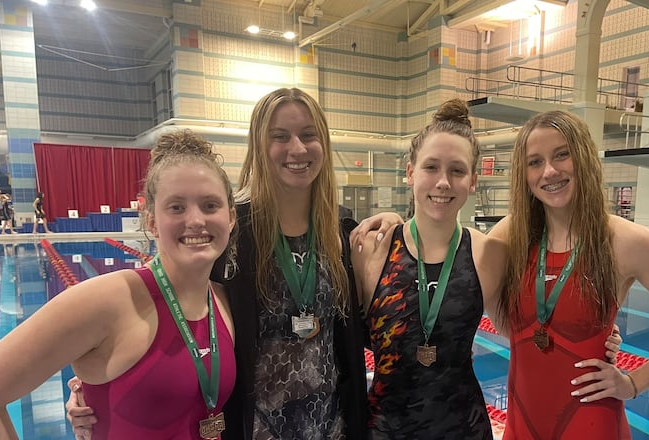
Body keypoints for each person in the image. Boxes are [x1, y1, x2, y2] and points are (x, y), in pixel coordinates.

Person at [66, 88, 402, 439]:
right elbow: (170, 310)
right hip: (254, 428)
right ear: (260, 145)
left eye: (308, 135)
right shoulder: (229, 230)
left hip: (333, 427)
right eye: (280, 137)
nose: (297, 149)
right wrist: (91, 390)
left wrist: (395, 222)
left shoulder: (339, 231)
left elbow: (367, 330)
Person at [351, 100, 622, 439]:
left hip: (464, 428)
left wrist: (597, 339)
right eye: (431, 167)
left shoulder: (489, 253)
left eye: (457, 171)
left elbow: (522, 328)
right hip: (384, 429)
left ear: (473, 180)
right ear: (410, 173)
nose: (443, 182)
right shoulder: (373, 250)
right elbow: (346, 339)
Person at [0, 130, 238, 439]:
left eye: (210, 205)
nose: (196, 220)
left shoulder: (225, 302)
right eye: (176, 207)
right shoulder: (106, 299)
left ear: (231, 218)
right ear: (151, 222)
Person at [488, 110, 649, 439]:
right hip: (522, 423)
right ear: (523, 174)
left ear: (583, 156)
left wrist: (633, 382)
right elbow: (477, 294)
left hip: (590, 423)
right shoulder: (510, 235)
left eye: (562, 154)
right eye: (535, 162)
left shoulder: (627, 242)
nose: (550, 171)